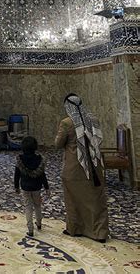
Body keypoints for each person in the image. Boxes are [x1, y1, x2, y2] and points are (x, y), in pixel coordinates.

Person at [55, 93, 109, 242]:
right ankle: (99, 233)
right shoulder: (94, 119)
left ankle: (75, 228)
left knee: (73, 199)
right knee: (95, 199)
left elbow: (58, 144)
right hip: (95, 166)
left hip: (75, 168)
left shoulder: (67, 123)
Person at [14, 136, 50, 236]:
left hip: (25, 187)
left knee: (28, 207)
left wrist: (16, 187)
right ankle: (39, 223)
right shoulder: (40, 160)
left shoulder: (20, 160)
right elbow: (43, 175)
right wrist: (46, 187)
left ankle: (30, 228)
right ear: (35, 147)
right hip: (37, 187)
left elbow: (16, 175)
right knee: (37, 205)